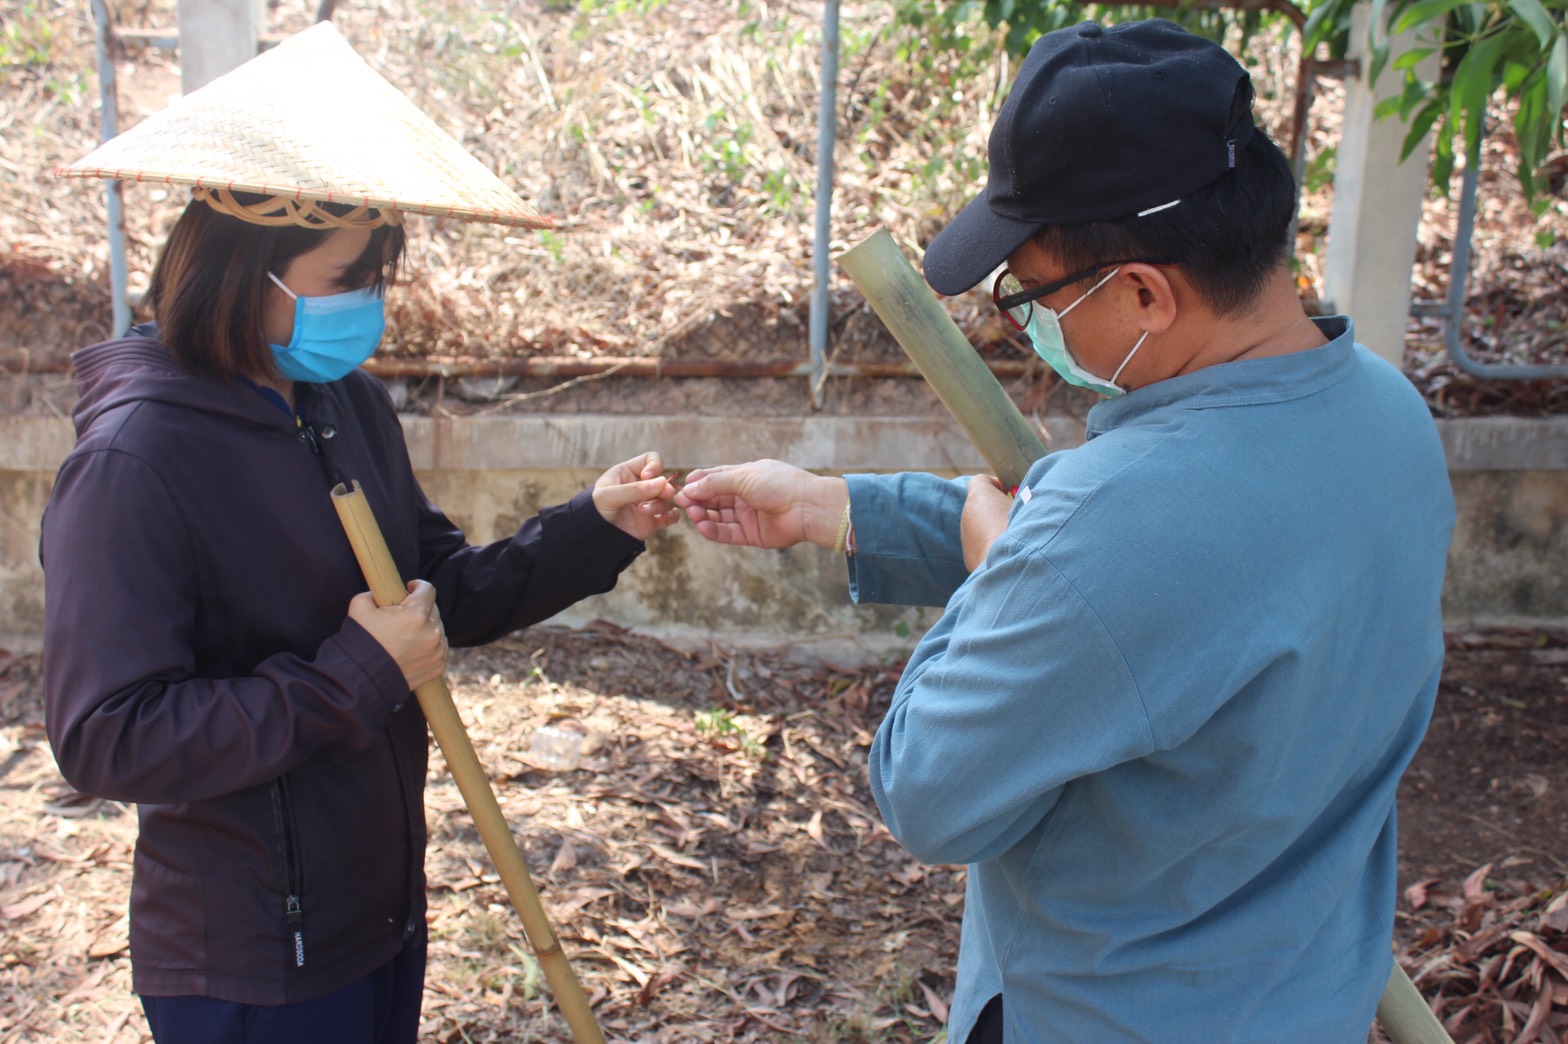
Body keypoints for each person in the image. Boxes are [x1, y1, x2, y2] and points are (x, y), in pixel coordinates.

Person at [677, 19, 1456, 1043]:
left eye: (1030, 295)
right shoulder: (1386, 417)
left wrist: (990, 570)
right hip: (1300, 997)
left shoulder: (1122, 517)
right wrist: (837, 507)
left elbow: (927, 790)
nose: (1021, 323)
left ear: (1143, 292)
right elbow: (1121, 585)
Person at [42, 24, 677, 1044]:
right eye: (344, 278)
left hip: (375, 913)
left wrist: (590, 529)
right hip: (252, 959)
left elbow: (431, 595)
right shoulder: (135, 461)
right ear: (241, 273)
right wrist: (355, 677)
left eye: (377, 277)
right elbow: (106, 737)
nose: (366, 306)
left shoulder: (341, 403)